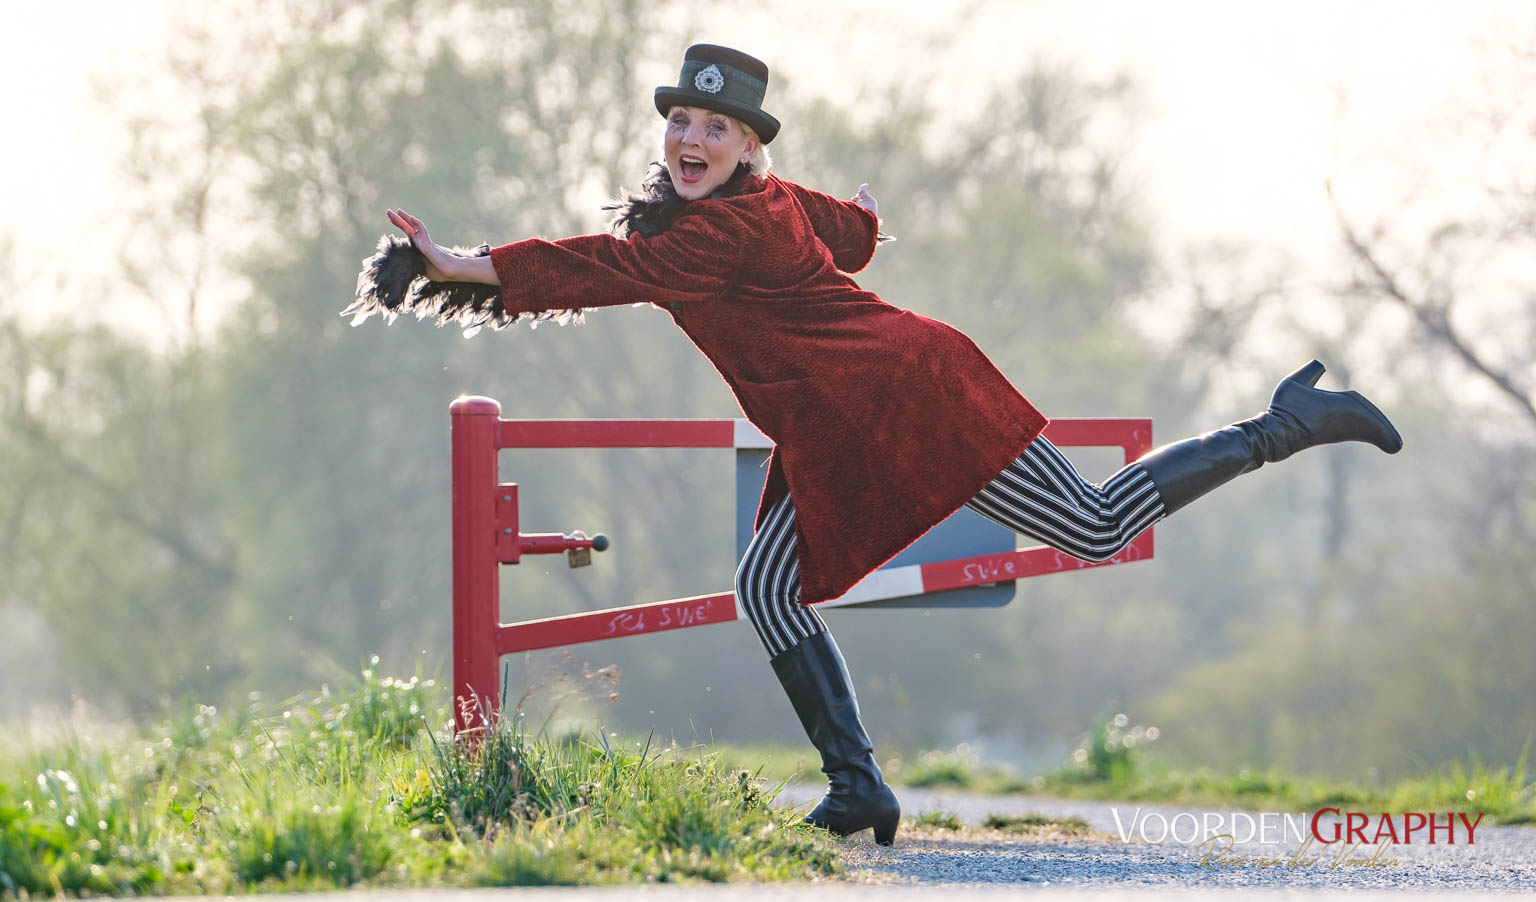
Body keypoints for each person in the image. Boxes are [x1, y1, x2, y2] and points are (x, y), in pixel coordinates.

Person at [347, 44, 1402, 847]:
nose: (692, 140)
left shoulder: (724, 229)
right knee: (768, 587)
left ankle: (1283, 424)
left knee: (1092, 526)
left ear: (749, 147)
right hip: (838, 426)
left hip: (914, 392)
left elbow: (602, 267)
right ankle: (859, 788)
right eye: (681, 122)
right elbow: (843, 235)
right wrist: (858, 219)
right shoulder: (758, 204)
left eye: (716, 127)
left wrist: (459, 264)